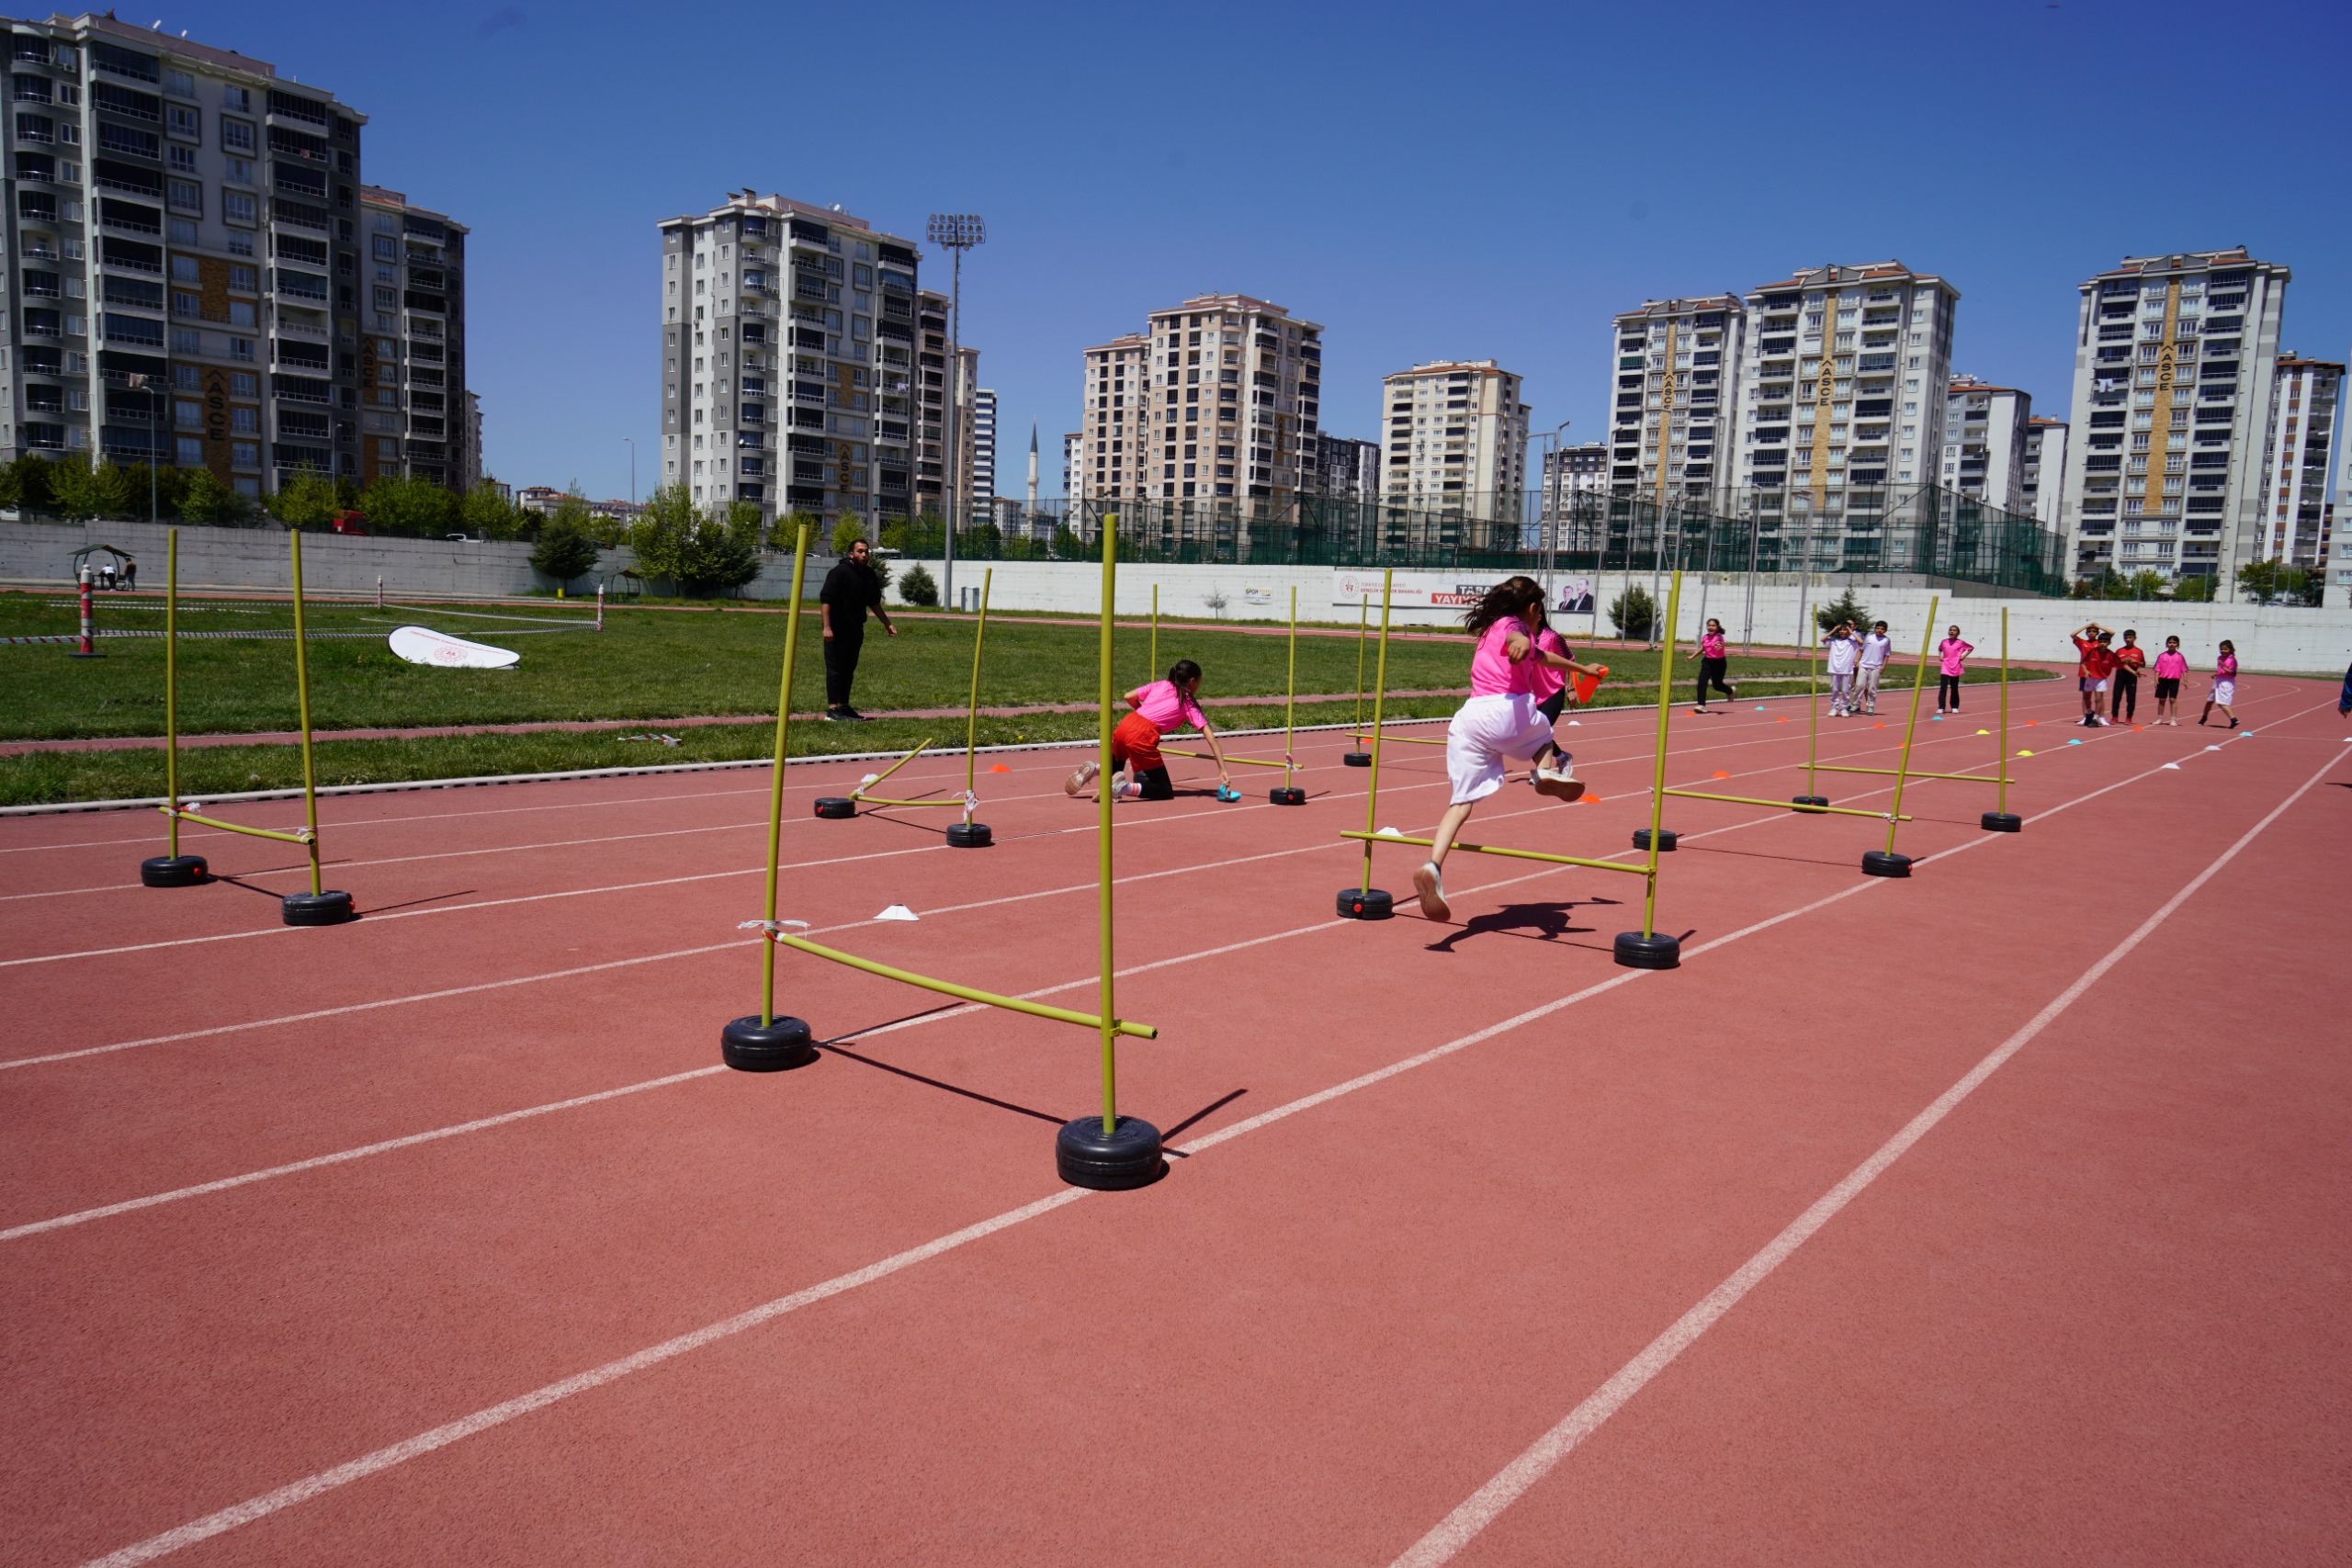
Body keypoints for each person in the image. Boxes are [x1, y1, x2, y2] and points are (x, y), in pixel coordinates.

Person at [1410, 577, 1586, 921]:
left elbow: (1546, 658)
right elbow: (1516, 635)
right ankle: (1545, 772)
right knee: (1544, 735)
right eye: (1540, 613)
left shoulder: (1490, 628)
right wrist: (1521, 640)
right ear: (1532, 609)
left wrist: (1582, 669)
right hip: (1504, 709)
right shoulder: (1514, 626)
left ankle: (1432, 867)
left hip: (1469, 720)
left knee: (1461, 804)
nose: (1539, 620)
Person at [1066, 659, 1231, 802]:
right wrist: (1222, 769)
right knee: (1163, 789)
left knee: (1118, 763)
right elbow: (1211, 739)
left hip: (1126, 723)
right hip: (1143, 733)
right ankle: (1123, 787)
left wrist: (1142, 713)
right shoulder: (1188, 704)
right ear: (1193, 681)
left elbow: (1128, 696)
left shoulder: (1163, 684)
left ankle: (1096, 769)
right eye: (1199, 682)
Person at [818, 537, 896, 720]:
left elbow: (874, 603)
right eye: (860, 551)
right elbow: (826, 600)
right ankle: (832, 710)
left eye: (866, 551)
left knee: (848, 668)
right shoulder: (839, 572)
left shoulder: (869, 574)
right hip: (836, 629)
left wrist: (887, 623)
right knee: (835, 668)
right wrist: (827, 627)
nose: (864, 554)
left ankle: (844, 707)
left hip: (855, 628)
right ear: (851, 554)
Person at [2071, 621, 2117, 727]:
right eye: (2089, 631)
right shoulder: (2082, 642)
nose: (2091, 633)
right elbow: (2073, 635)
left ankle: (2101, 717)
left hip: (2098, 672)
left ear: (2097, 633)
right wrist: (2086, 626)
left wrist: (2098, 626)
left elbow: (2112, 633)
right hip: (2085, 672)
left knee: (2099, 697)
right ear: (2086, 633)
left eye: (2094, 631)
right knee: (2085, 696)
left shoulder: (2100, 642)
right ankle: (2086, 716)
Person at [1691, 617, 1735, 712]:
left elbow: (1719, 644)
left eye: (1713, 626)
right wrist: (1692, 656)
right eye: (1709, 625)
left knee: (1717, 685)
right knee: (1702, 682)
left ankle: (1730, 691)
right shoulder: (1705, 637)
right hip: (1707, 662)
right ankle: (1701, 705)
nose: (1711, 627)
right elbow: (1703, 648)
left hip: (1719, 663)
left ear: (1717, 627)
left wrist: (1718, 647)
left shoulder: (1719, 637)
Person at [1824, 620, 1860, 717]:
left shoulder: (1852, 642)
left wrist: (1851, 631)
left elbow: (1861, 642)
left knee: (1845, 690)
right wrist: (1834, 630)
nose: (1842, 632)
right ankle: (1834, 708)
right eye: (1840, 630)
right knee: (1835, 689)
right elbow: (1823, 639)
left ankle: (1844, 708)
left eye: (1844, 630)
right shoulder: (1834, 641)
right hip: (1834, 668)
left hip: (1846, 669)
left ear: (1848, 631)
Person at [2199, 639, 2238, 728]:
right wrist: (2216, 674)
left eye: (2226, 649)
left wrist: (2224, 666)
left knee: (2221, 702)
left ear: (2231, 649)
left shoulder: (2232, 660)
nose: (2223, 651)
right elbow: (2220, 670)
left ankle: (2234, 719)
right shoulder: (2219, 658)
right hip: (2218, 680)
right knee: (2210, 700)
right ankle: (2204, 718)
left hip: (2227, 682)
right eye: (2221, 649)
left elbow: (2232, 673)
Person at [2109, 628, 2145, 725]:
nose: (2128, 639)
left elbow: (2143, 664)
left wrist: (2136, 662)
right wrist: (2122, 661)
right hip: (2120, 673)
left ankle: (2129, 717)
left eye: (2130, 637)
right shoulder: (2119, 651)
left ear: (2135, 638)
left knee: (2131, 697)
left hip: (2132, 674)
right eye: (2126, 638)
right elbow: (2114, 664)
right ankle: (2114, 716)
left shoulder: (2139, 651)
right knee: (2116, 696)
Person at [1855, 620, 1893, 716]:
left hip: (1876, 667)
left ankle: (1870, 706)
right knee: (1859, 685)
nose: (1879, 630)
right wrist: (1857, 660)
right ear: (1875, 629)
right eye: (1878, 628)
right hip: (1864, 665)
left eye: (1882, 629)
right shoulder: (1869, 637)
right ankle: (1855, 705)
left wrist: (1883, 666)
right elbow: (1861, 649)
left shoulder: (1886, 640)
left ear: (1885, 630)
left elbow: (1887, 655)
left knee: (1872, 688)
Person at [1936, 625, 1973, 714]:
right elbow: (1940, 649)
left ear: (1957, 633)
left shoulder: (1960, 643)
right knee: (1943, 687)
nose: (1952, 631)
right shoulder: (1944, 642)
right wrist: (1940, 655)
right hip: (1945, 666)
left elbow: (1970, 648)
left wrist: (1964, 656)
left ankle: (1954, 706)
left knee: (1954, 688)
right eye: (1950, 630)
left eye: (1954, 630)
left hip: (1955, 666)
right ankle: (1941, 707)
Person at [2152, 636, 2188, 726]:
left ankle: (2173, 719)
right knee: (2162, 699)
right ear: (2167, 644)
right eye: (2170, 642)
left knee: (2172, 699)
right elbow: (2157, 669)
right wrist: (2156, 680)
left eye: (2174, 643)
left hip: (2174, 681)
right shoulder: (2162, 656)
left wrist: (2185, 680)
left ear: (2177, 644)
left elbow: (2184, 669)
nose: (2172, 644)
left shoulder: (2180, 656)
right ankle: (2159, 718)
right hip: (2162, 680)